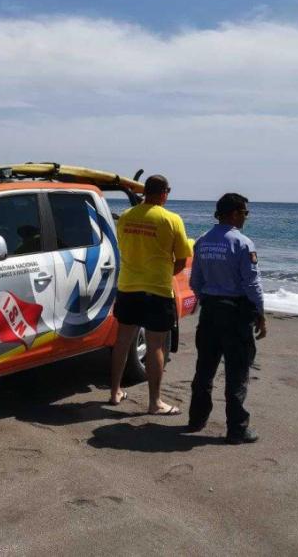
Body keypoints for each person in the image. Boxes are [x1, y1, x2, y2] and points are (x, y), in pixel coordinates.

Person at [108, 175, 193, 415]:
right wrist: (164, 273)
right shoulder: (171, 219)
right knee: (156, 345)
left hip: (128, 287)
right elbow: (181, 260)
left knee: (122, 342)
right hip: (157, 290)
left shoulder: (126, 217)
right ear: (164, 192)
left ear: (145, 192)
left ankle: (114, 392)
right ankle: (154, 402)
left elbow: (123, 247)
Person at [186, 193, 266, 444]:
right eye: (244, 213)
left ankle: (196, 419)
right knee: (237, 372)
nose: (246, 218)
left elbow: (195, 281)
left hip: (210, 311)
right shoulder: (242, 243)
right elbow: (252, 284)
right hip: (235, 314)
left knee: (205, 368)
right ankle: (237, 429)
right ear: (233, 213)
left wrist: (209, 300)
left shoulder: (202, 242)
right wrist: (261, 312)